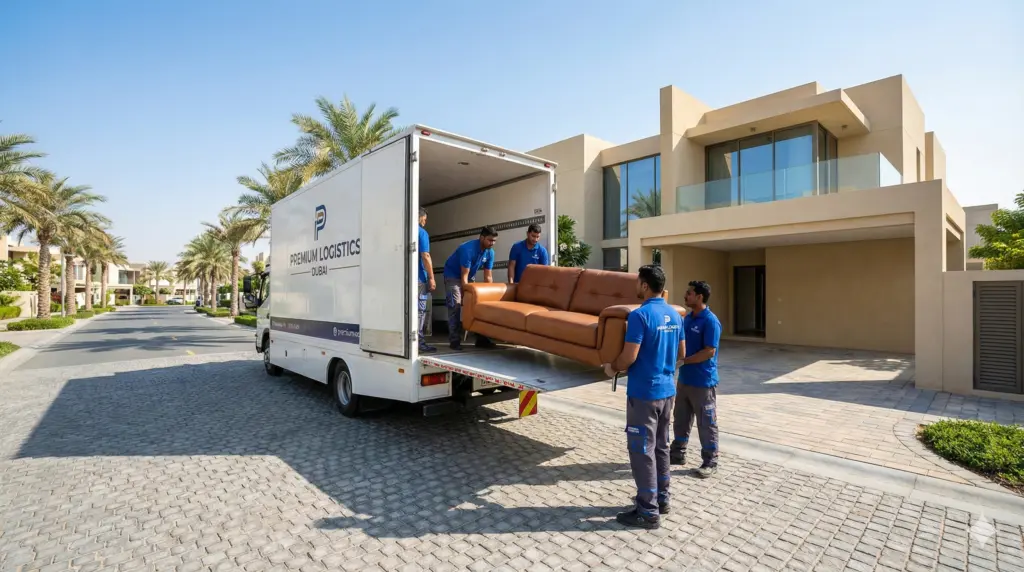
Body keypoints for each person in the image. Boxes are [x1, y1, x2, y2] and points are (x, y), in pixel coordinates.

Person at [602, 264, 684, 530]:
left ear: (645, 286)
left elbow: (629, 356)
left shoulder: (640, 316)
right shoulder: (675, 315)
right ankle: (662, 498)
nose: (636, 286)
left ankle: (647, 511)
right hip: (667, 391)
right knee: (661, 447)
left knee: (641, 450)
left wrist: (612, 367)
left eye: (638, 282)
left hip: (644, 394)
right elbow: (681, 354)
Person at [670, 280, 722, 478]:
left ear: (699, 297)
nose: (685, 295)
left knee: (706, 422)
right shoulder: (687, 318)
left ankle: (710, 461)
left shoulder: (710, 321)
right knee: (681, 419)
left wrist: (685, 361)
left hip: (703, 382)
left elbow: (709, 351)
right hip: (685, 380)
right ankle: (677, 453)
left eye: (689, 293)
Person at [441, 226, 498, 351]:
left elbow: (488, 276)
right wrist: (463, 294)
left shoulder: (490, 252)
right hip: (453, 276)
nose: (492, 243)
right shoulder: (467, 249)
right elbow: (464, 276)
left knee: (477, 305)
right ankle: (454, 340)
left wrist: (490, 296)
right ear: (481, 238)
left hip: (468, 276)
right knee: (455, 305)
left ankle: (482, 339)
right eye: (489, 240)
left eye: (494, 241)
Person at [417, 208, 436, 353]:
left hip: (405, 280)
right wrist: (431, 277)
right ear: (420, 217)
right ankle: (419, 342)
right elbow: (425, 256)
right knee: (420, 310)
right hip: (419, 279)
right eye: (425, 218)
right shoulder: (422, 233)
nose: (425, 221)